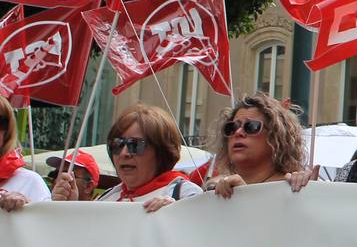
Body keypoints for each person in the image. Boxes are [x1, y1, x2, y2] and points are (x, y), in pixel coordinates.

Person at [53, 104, 202, 210]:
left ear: (161, 151)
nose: (124, 153)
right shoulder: (107, 197)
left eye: (135, 145)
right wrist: (67, 208)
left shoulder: (185, 194)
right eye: (117, 144)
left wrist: (178, 215)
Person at [204, 94, 313, 198]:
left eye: (251, 126)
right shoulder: (215, 188)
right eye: (232, 127)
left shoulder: (293, 188)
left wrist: (311, 190)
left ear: (275, 137)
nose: (238, 132)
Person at [0, 97, 50, 211]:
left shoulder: (30, 182)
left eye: (0, 122)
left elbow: (48, 227)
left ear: (8, 130)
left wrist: (28, 209)